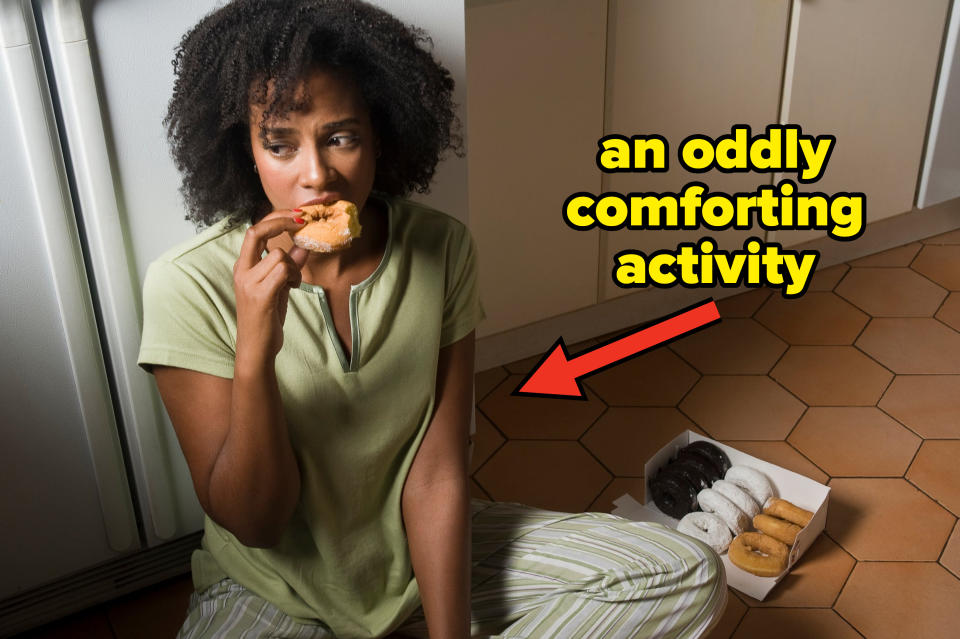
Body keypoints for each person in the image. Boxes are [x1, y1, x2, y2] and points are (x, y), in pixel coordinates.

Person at [138, 1, 727, 637]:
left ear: (379, 136)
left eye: (341, 137)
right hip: (274, 585)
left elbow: (438, 471)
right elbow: (256, 524)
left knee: (684, 573)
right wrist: (255, 349)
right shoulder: (188, 283)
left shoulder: (441, 248)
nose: (316, 176)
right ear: (245, 151)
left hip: (418, 554)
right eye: (280, 145)